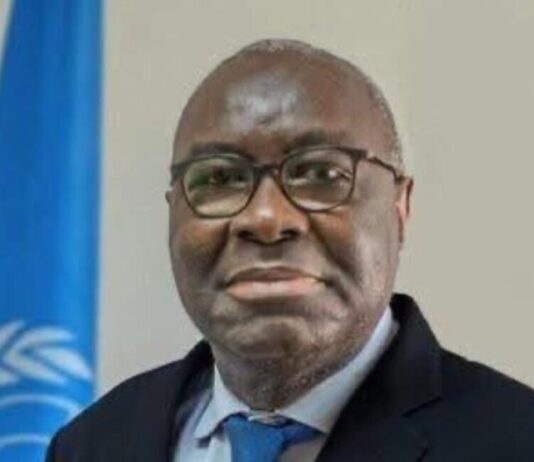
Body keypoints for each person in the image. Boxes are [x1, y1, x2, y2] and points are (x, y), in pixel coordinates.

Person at [46, 39, 534, 462]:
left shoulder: (517, 440)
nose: (266, 218)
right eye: (219, 178)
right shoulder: (89, 445)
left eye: (321, 174)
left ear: (399, 206)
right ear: (173, 210)